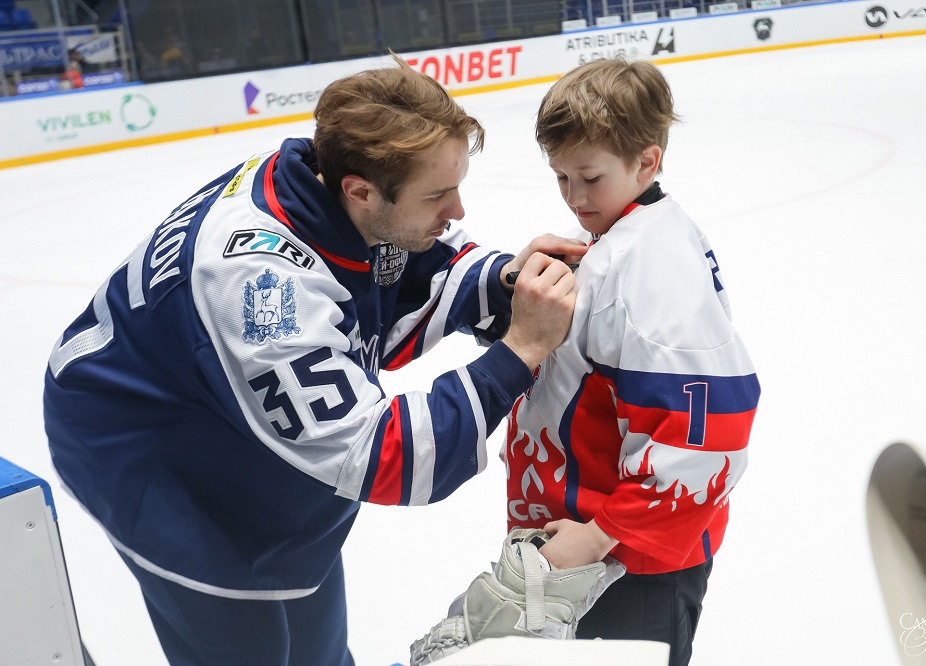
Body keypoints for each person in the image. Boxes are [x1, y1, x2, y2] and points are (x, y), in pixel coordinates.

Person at [43, 55, 584, 666]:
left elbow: (402, 271)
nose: (457, 212)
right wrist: (523, 350)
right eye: (437, 194)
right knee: (248, 640)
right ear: (360, 190)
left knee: (315, 635)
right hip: (148, 451)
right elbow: (384, 457)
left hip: (207, 399)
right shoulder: (264, 292)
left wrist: (508, 281)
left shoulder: (326, 180)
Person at [502, 57, 761, 666]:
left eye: (589, 177)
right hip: (598, 549)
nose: (573, 197)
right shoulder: (626, 238)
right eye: (560, 177)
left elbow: (707, 438)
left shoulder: (652, 267)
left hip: (632, 563)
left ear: (648, 161)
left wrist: (596, 536)